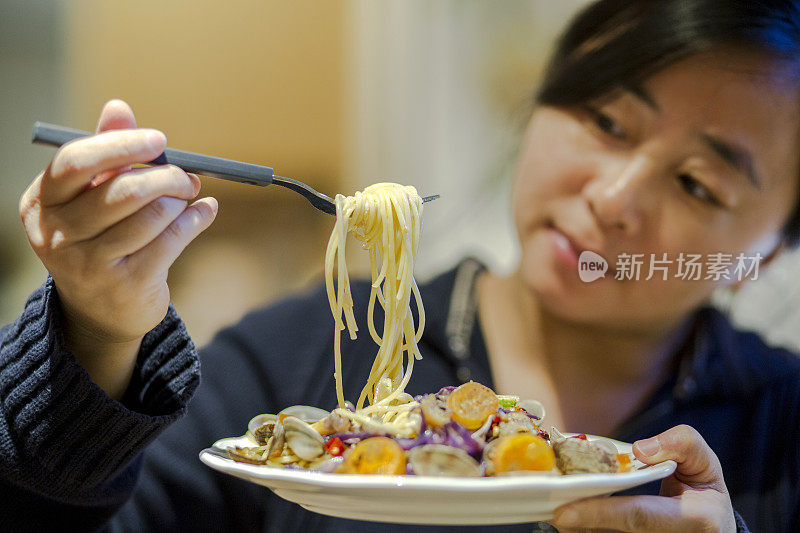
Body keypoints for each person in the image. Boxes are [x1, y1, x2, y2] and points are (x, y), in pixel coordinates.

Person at [3, 0, 799, 531]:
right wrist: (99, 332)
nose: (616, 197)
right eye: (605, 119)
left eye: (698, 182)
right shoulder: (301, 359)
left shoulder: (784, 425)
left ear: (765, 253)